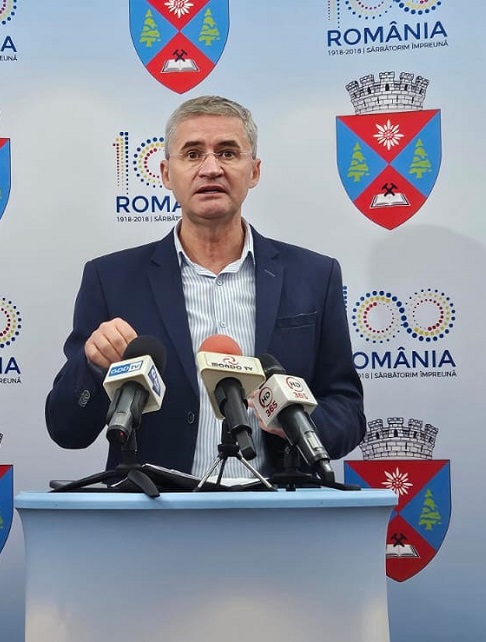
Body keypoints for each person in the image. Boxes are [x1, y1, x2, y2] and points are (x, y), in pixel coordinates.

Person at [45, 96, 365, 480]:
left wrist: (298, 424)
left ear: (254, 171)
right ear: (166, 174)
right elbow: (66, 429)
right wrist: (93, 367)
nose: (211, 169)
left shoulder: (314, 276)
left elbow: (348, 413)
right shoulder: (111, 279)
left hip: (278, 506)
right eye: (193, 154)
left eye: (228, 153)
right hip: (155, 509)